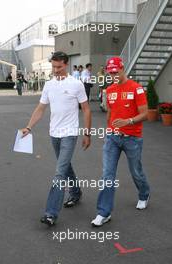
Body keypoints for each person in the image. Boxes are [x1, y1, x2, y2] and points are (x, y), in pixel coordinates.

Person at [20, 51, 92, 226]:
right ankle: (75, 192)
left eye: (59, 67)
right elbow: (41, 108)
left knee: (59, 172)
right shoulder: (49, 85)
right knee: (65, 166)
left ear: (66, 64)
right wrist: (29, 127)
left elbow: (86, 109)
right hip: (54, 134)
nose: (56, 70)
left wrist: (87, 133)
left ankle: (51, 213)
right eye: (53, 67)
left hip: (69, 133)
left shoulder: (76, 84)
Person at [91, 57, 150, 227]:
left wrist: (128, 121)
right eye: (111, 72)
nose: (114, 75)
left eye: (116, 72)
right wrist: (108, 130)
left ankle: (144, 194)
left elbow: (145, 114)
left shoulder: (136, 88)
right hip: (113, 138)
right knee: (107, 175)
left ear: (123, 69)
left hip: (133, 138)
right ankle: (104, 212)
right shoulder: (109, 90)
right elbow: (110, 112)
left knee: (136, 172)